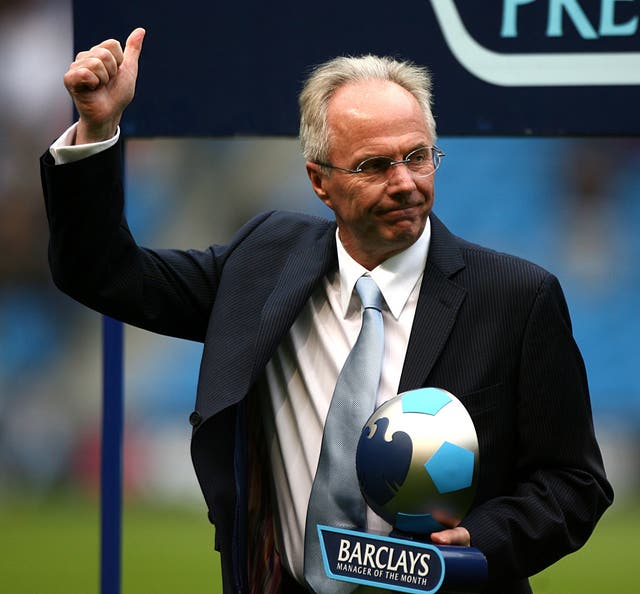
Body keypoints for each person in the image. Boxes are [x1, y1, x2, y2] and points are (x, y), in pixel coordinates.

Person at [41, 27, 613, 594]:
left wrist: (479, 539)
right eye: (374, 166)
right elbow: (105, 274)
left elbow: (574, 483)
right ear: (320, 181)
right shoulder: (264, 261)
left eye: (418, 156)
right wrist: (98, 128)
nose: (405, 183)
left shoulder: (517, 296)